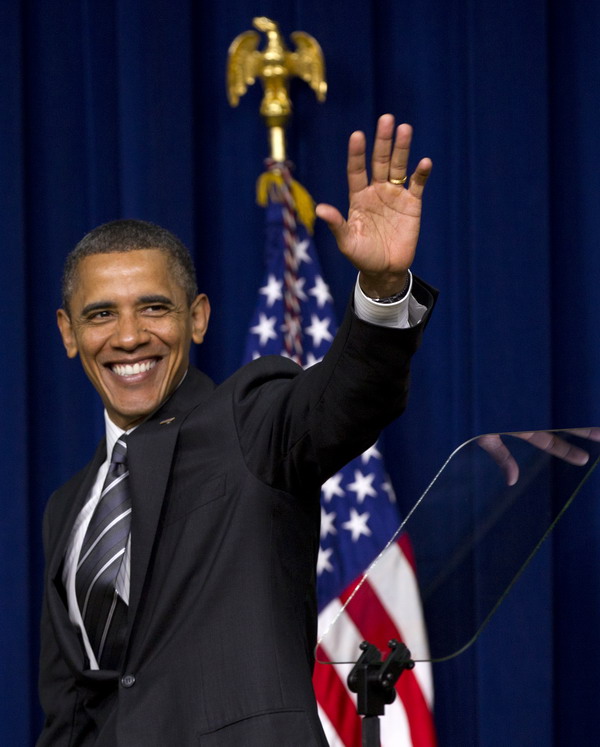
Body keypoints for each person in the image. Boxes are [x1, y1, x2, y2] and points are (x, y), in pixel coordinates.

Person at [38, 115, 437, 746]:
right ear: (68, 333)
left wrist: (383, 291)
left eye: (154, 307)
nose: (129, 336)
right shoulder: (68, 508)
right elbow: (69, 713)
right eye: (100, 315)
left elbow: (349, 400)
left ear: (197, 318)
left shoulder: (250, 422)